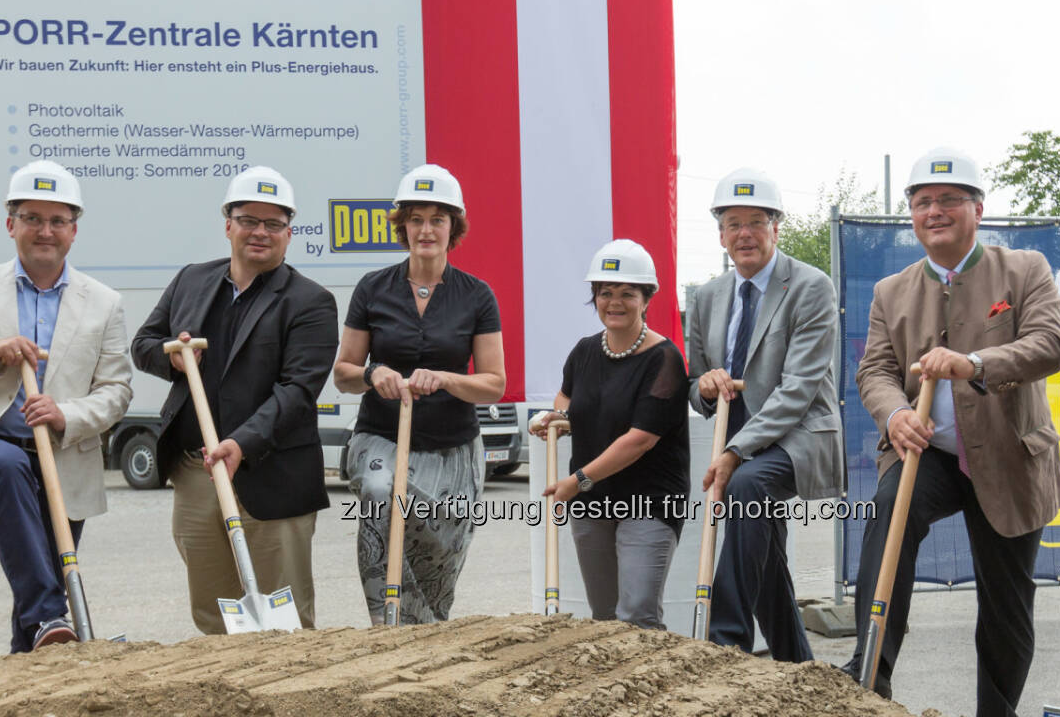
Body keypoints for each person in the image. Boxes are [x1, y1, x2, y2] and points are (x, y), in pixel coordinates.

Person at [840, 148, 1060, 717]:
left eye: (948, 200)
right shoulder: (892, 290)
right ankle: (870, 675)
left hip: (1009, 455)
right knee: (889, 515)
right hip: (928, 455)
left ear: (977, 209)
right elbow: (876, 371)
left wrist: (974, 363)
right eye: (922, 203)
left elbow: (1048, 345)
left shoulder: (1024, 270)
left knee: (1006, 600)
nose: (934, 211)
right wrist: (893, 416)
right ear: (911, 215)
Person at [0, 160, 132, 652]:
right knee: (7, 466)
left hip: (63, 455)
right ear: (10, 224)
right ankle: (50, 617)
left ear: (74, 231)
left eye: (57, 221)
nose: (45, 231)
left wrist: (66, 415)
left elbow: (116, 391)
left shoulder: (103, 303)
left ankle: (35, 654)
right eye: (32, 218)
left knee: (39, 586)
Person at [132, 166, 338, 635]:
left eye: (273, 224)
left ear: (289, 232)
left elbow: (297, 391)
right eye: (249, 220)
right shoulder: (191, 281)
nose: (260, 232)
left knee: (283, 619)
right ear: (228, 224)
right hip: (197, 471)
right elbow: (145, 342)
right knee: (214, 612)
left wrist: (242, 443)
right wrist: (177, 361)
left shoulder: (310, 302)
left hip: (273, 477)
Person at [332, 164, 504, 625]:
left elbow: (494, 382)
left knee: (440, 558)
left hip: (453, 449)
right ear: (402, 225)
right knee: (378, 492)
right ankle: (392, 631)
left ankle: (427, 637)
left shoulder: (477, 296)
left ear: (454, 227)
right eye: (416, 218)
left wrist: (447, 379)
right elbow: (343, 373)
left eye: (438, 219)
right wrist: (374, 374)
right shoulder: (373, 289)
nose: (426, 229)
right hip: (383, 437)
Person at [686, 167, 843, 662]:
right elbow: (694, 385)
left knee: (749, 488)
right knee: (763, 548)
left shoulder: (811, 287)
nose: (745, 234)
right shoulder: (706, 297)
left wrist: (736, 451)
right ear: (720, 235)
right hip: (738, 440)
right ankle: (798, 663)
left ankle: (725, 638)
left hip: (798, 437)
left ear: (777, 227)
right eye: (734, 224)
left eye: (757, 222)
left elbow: (799, 389)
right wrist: (706, 385)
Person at [532, 239, 689, 628]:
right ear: (594, 297)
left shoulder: (665, 359)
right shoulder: (584, 351)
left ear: (646, 298)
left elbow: (641, 439)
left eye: (627, 293)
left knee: (636, 615)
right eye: (605, 293)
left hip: (648, 502)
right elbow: (568, 397)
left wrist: (578, 479)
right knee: (605, 619)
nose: (614, 302)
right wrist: (554, 417)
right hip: (592, 501)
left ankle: (656, 688)